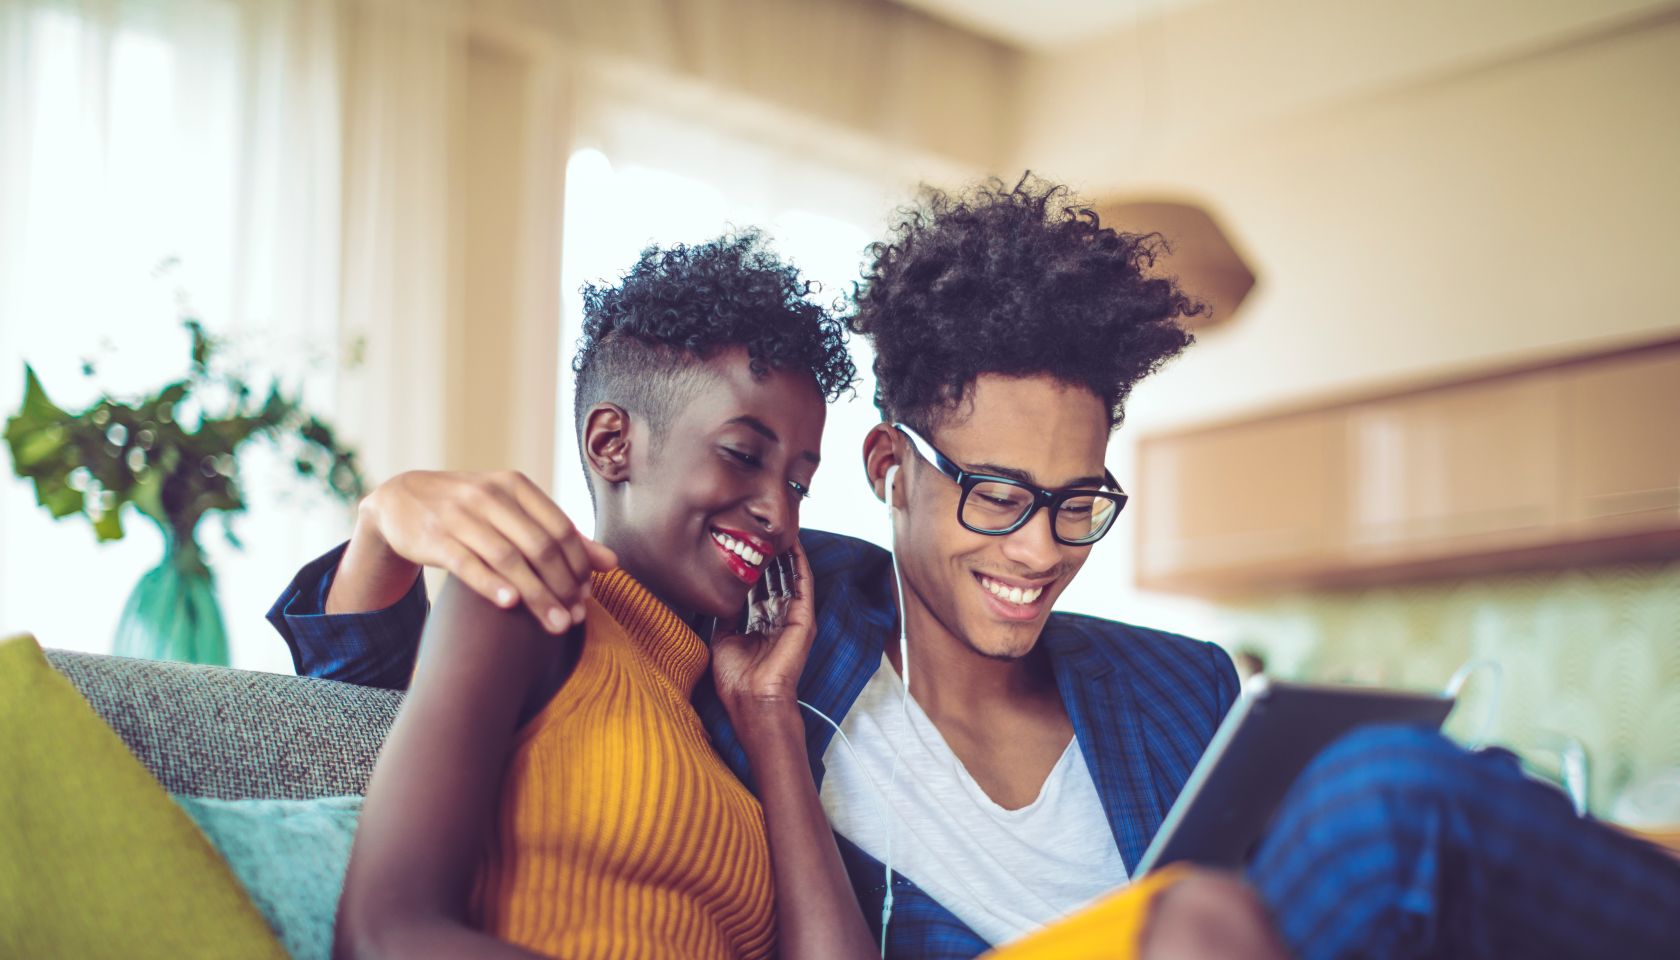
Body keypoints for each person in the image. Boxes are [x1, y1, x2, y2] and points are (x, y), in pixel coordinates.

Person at [275, 177, 1680, 959]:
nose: (1038, 553)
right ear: (894, 474)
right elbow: (382, 693)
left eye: (1080, 506)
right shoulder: (753, 607)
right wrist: (391, 515)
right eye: (999, 496)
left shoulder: (1178, 686)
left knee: (1420, 806)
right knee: (1378, 810)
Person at [326, 232, 875, 959]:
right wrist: (382, 518)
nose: (780, 511)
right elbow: (384, 936)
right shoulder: (527, 603)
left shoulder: (720, 727)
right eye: (744, 455)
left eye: (799, 482)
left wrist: (771, 717)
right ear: (612, 442)